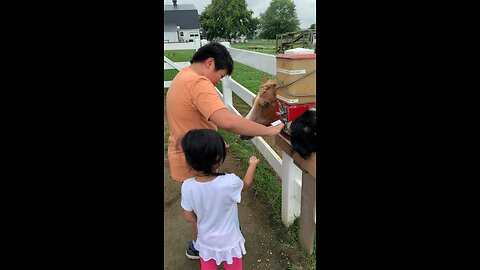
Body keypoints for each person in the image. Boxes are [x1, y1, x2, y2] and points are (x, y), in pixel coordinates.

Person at [166, 42, 284, 259]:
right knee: (204, 210)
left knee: (201, 205)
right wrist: (267, 131)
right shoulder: (198, 83)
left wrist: (215, 144)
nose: (218, 82)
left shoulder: (181, 77)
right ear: (210, 63)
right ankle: (200, 245)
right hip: (195, 158)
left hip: (188, 152)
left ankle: (202, 242)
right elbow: (227, 121)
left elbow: (191, 120)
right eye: (220, 76)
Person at [180, 129, 259, 270]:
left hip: (205, 241)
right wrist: (252, 164)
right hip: (230, 241)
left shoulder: (187, 186)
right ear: (218, 158)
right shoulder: (230, 182)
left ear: (189, 160)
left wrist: (205, 219)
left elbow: (188, 217)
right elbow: (246, 184)